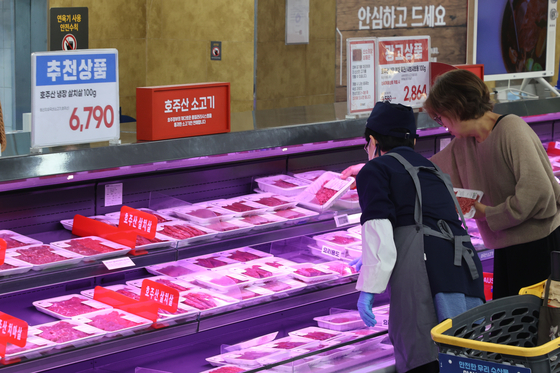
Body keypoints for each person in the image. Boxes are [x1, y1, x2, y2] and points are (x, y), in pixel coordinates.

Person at [348, 101, 485, 373]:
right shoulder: (431, 168)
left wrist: (369, 288)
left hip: (425, 277)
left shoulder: (375, 170)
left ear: (373, 141)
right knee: (460, 356)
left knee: (425, 358)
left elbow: (380, 228)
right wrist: (370, 257)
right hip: (462, 273)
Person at [423, 69, 560, 299]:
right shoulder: (464, 142)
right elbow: (427, 168)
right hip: (506, 248)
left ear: (456, 108)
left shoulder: (511, 128)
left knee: (535, 327)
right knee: (510, 326)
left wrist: (489, 213)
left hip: (538, 247)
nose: (442, 123)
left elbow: (537, 191)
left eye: (440, 116)